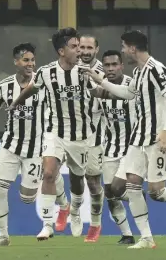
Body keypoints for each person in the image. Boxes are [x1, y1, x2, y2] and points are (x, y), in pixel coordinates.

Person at [83, 30, 166, 249]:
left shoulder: (156, 69)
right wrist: (102, 81)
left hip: (158, 138)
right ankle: (146, 238)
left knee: (156, 192)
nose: (122, 51)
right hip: (138, 138)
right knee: (120, 186)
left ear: (131, 47)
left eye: (123, 47)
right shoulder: (138, 72)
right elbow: (128, 93)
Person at [0, 43, 63, 246]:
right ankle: (3, 236)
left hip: (36, 149)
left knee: (27, 198)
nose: (30, 64)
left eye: (32, 60)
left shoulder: (43, 83)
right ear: (16, 62)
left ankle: (57, 185)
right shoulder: (4, 86)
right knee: (0, 189)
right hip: (9, 147)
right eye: (25, 60)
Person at [6, 28, 98, 240]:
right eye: (74, 46)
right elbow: (31, 88)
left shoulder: (86, 71)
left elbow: (99, 90)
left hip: (80, 136)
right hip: (54, 131)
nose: (79, 50)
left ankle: (73, 210)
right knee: (48, 173)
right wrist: (15, 103)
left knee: (77, 181)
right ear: (61, 51)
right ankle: (47, 225)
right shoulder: (46, 72)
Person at [68, 34, 105, 242]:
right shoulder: (69, 68)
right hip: (71, 132)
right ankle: (74, 210)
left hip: (94, 134)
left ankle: (95, 223)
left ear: (96, 49)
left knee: (93, 180)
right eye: (82, 47)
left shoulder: (102, 71)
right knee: (74, 176)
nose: (85, 51)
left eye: (89, 47)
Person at [99, 50, 136, 245]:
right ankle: (127, 234)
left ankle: (137, 197)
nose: (111, 69)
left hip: (132, 147)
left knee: (117, 187)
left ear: (122, 65)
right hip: (110, 147)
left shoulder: (133, 85)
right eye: (107, 65)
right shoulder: (99, 85)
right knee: (110, 194)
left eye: (114, 64)